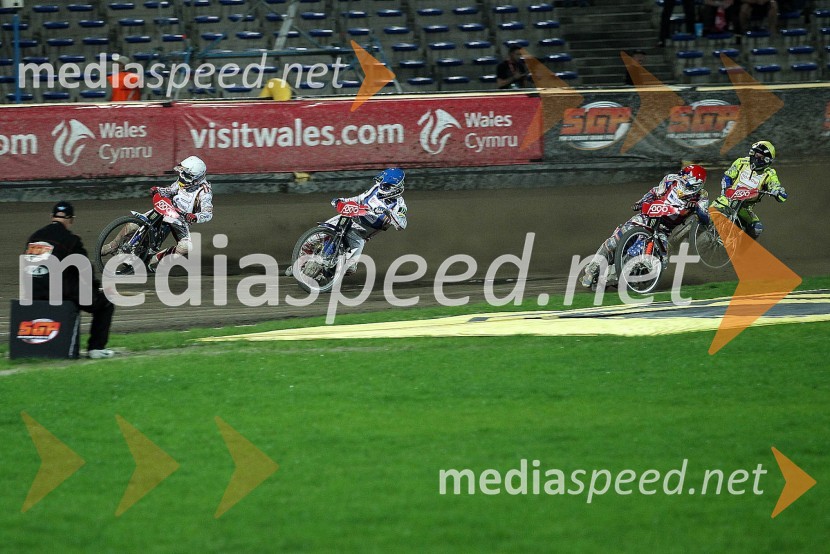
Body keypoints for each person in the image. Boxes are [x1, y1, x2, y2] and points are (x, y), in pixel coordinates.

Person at [581, 165, 710, 289]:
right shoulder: (670, 181)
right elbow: (654, 192)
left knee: (655, 261)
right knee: (618, 237)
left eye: (686, 177)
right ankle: (593, 266)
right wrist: (641, 202)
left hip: (664, 231)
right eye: (683, 176)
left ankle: (613, 276)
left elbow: (705, 219)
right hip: (648, 217)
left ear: (695, 183)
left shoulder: (702, 197)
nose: (682, 179)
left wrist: (697, 208)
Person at [24, 201, 116, 359]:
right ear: (71, 219)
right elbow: (85, 268)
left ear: (51, 216)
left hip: (32, 293)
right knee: (105, 304)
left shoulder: (34, 237)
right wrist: (95, 289)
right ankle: (96, 348)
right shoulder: (70, 239)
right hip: (59, 295)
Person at [100, 155, 213, 270]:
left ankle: (153, 260)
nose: (182, 176)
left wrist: (194, 217)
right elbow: (170, 190)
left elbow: (208, 213)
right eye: (182, 173)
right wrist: (158, 190)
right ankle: (112, 246)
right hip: (166, 208)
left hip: (181, 221)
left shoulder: (205, 192)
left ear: (197, 178)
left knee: (186, 246)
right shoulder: (183, 181)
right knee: (136, 223)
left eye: (186, 175)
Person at [329, 167, 408, 275]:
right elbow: (359, 198)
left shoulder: (399, 205)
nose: (381, 187)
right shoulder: (375, 188)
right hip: (351, 217)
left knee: (350, 267)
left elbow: (402, 225)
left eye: (385, 186)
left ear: (395, 188)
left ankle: (336, 269)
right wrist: (343, 200)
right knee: (323, 230)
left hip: (362, 233)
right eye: (381, 183)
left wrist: (388, 213)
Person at [713, 140, 787, 239]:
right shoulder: (741, 162)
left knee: (757, 228)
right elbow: (727, 176)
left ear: (767, 160)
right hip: (727, 198)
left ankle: (741, 251)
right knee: (708, 214)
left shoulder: (770, 173)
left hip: (745, 207)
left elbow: (775, 185)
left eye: (760, 157)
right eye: (755, 154)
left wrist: (778, 191)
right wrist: (726, 189)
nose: (756, 158)